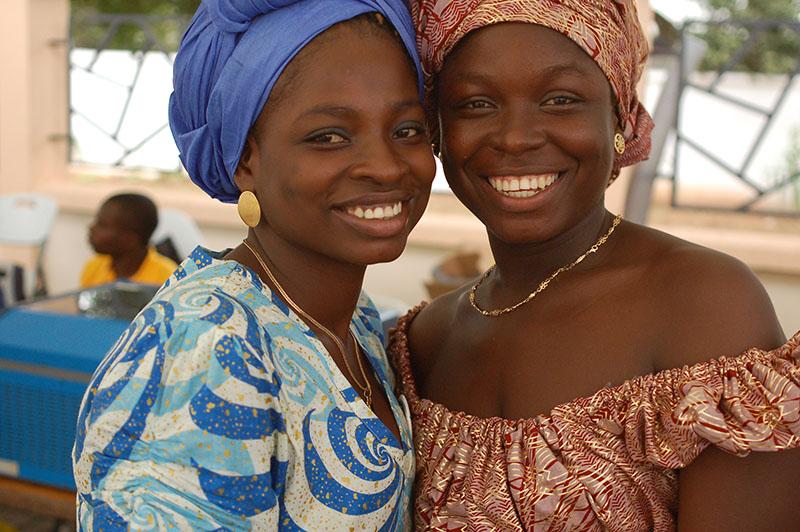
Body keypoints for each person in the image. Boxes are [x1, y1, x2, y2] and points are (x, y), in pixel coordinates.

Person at [389, 1, 800, 530]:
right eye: (475, 104)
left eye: (561, 100)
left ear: (619, 117)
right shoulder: (421, 341)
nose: (516, 137)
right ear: (438, 131)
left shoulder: (702, 303)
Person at [72, 0, 435, 529]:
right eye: (328, 136)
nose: (385, 165)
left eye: (407, 129)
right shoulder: (205, 351)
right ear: (246, 158)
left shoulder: (349, 317)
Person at [80, 193, 177, 288]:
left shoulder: (169, 278)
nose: (91, 228)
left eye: (102, 225)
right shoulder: (94, 267)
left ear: (130, 239)